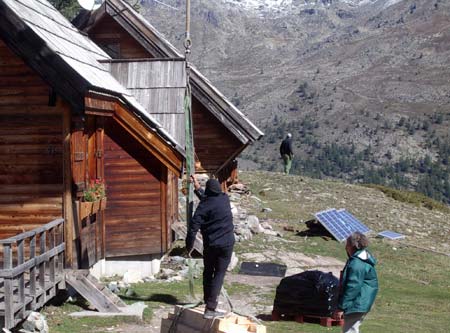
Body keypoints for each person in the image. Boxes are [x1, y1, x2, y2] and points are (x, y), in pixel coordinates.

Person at [186, 175, 235, 319]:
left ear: (208, 191)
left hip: (211, 245)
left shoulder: (204, 206)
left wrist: (188, 247)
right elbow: (208, 197)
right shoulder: (224, 198)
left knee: (208, 272)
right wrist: (196, 186)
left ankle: (209, 306)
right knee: (219, 274)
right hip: (227, 244)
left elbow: (193, 228)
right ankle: (210, 306)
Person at [336, 232, 379, 333]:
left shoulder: (357, 264)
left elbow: (353, 287)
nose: (345, 247)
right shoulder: (361, 259)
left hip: (357, 302)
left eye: (347, 244)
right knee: (352, 329)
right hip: (362, 301)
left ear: (351, 245)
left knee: (350, 330)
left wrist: (342, 307)